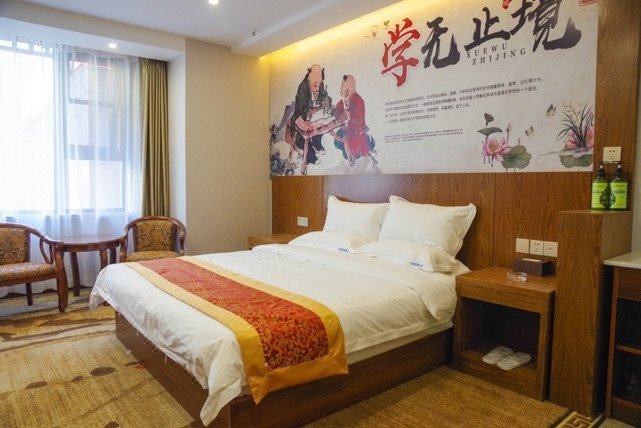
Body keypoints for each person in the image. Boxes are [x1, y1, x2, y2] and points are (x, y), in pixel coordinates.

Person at [288, 64, 332, 175]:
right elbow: (301, 108)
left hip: (314, 116)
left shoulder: (319, 84)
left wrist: (326, 100)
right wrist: (311, 111)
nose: (318, 82)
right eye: (315, 78)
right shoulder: (302, 88)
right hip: (301, 118)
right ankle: (310, 156)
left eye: (319, 79)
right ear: (309, 76)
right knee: (304, 141)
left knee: (321, 125)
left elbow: (324, 95)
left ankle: (317, 144)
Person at [331, 74, 373, 166]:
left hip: (356, 133)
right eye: (341, 84)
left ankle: (355, 154)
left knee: (360, 153)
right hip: (346, 133)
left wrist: (347, 113)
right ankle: (350, 154)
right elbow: (338, 117)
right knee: (339, 140)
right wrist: (339, 116)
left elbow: (356, 113)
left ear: (349, 88)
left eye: (343, 84)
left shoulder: (357, 99)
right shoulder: (340, 103)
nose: (341, 87)